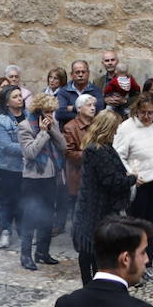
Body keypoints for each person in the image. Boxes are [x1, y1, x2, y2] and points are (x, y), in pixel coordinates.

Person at [114, 94, 153, 274]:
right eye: (143, 113)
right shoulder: (127, 128)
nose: (147, 117)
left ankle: (146, 263)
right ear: (136, 111)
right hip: (140, 183)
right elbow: (119, 155)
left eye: (150, 112)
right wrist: (131, 174)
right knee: (137, 224)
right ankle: (131, 263)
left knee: (151, 223)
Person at [72, 111, 135, 285]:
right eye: (114, 128)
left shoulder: (101, 147)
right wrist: (133, 178)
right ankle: (90, 285)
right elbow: (111, 181)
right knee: (90, 250)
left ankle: (93, 284)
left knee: (94, 250)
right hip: (95, 208)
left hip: (97, 207)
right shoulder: (98, 150)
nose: (116, 133)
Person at [17, 93, 68, 270]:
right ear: (38, 111)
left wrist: (52, 129)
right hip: (33, 178)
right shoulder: (25, 126)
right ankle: (25, 255)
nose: (50, 115)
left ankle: (42, 252)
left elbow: (63, 146)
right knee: (30, 218)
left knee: (47, 217)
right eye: (47, 111)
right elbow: (30, 152)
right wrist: (43, 133)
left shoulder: (52, 123)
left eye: (52, 112)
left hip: (51, 177)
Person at [0, 85, 27, 251]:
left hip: (26, 167)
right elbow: (6, 146)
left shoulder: (29, 116)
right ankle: (5, 230)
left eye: (20, 95)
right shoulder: (2, 121)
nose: (19, 98)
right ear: (7, 102)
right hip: (8, 167)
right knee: (6, 200)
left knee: (23, 199)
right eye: (15, 96)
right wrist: (30, 147)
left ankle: (22, 229)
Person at [61, 93, 97, 239]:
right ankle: (78, 236)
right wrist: (92, 155)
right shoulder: (70, 127)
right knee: (78, 207)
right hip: (79, 173)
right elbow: (68, 153)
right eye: (89, 105)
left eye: (94, 105)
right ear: (79, 108)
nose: (93, 108)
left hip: (95, 173)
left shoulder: (97, 124)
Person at [54, 60, 104, 126]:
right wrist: (85, 113)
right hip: (69, 131)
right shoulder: (63, 92)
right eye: (77, 72)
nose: (80, 75)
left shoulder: (96, 90)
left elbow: (99, 110)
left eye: (83, 72)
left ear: (88, 73)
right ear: (71, 75)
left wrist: (73, 108)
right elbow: (60, 114)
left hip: (91, 130)